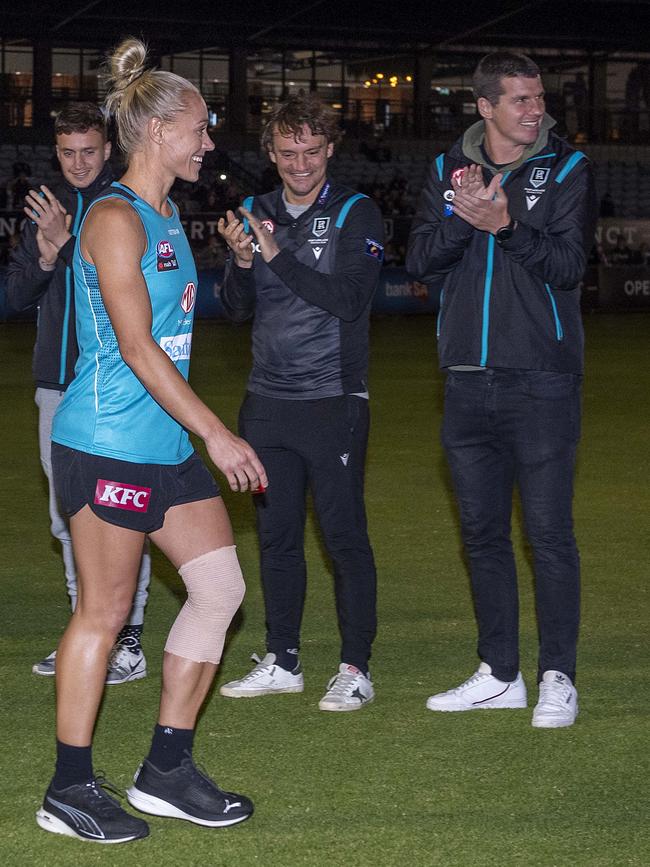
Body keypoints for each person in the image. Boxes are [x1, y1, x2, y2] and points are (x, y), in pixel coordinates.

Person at [35, 38, 267, 844]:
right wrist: (219, 432)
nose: (210, 142)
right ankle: (67, 787)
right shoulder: (110, 217)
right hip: (104, 445)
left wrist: (192, 434)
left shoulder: (169, 213)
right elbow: (135, 349)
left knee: (220, 589)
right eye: (199, 128)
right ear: (158, 130)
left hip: (163, 447)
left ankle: (166, 768)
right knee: (101, 612)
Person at [407, 51, 597, 729]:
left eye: (538, 97)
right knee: (482, 534)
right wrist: (466, 218)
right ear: (484, 107)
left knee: (548, 535)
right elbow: (420, 257)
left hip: (542, 380)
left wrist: (506, 226)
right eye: (519, 100)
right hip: (464, 380)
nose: (535, 108)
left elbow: (571, 266)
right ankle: (499, 672)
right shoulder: (442, 172)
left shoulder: (568, 168)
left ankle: (557, 676)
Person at [217, 91, 383, 712]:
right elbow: (236, 310)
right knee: (277, 537)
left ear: (330, 149)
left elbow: (346, 300)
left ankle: (355, 666)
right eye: (288, 154)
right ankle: (282, 658)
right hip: (266, 403)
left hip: (333, 401)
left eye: (312, 151)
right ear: (271, 153)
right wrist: (239, 261)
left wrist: (275, 252)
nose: (301, 164)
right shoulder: (254, 211)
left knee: (344, 537)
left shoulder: (356, 213)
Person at [6, 102, 151, 684]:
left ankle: (129, 638)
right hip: (56, 388)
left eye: (88, 151)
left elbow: (109, 286)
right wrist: (44, 252)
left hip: (115, 385)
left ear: (108, 149)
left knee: (120, 511)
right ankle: (86, 631)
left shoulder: (125, 208)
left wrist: (65, 245)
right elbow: (17, 295)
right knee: (67, 518)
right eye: (67, 152)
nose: (78, 162)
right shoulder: (47, 211)